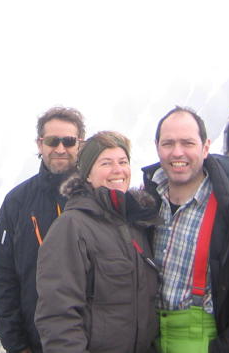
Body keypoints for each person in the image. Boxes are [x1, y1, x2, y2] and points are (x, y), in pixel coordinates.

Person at [142, 106, 229, 353]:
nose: (177, 152)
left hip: (205, 340)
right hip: (150, 338)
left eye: (188, 143)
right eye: (168, 143)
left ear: (205, 147)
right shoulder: (146, 204)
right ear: (157, 146)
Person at [35, 131, 160, 353]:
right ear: (87, 175)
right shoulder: (71, 227)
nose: (117, 170)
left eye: (123, 162)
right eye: (106, 163)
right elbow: (58, 316)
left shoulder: (137, 225)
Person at [0, 107, 86, 353]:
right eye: (53, 141)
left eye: (69, 141)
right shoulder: (18, 202)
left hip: (90, 339)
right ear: (40, 144)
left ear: (80, 145)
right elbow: (3, 275)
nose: (61, 149)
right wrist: (16, 344)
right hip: (35, 343)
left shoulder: (95, 198)